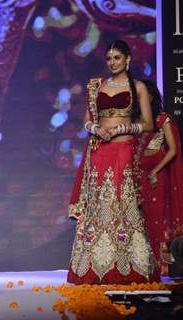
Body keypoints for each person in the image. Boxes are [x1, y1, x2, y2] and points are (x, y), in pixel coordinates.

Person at [67, 40, 158, 284]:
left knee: (122, 202)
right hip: (100, 150)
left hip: (123, 149)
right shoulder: (97, 86)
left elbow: (149, 124)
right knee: (98, 206)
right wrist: (96, 128)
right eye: (109, 58)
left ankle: (130, 266)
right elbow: (86, 120)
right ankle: (95, 267)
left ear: (128, 59)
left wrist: (122, 128)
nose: (112, 62)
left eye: (117, 57)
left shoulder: (137, 87)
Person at [135, 79, 183, 276]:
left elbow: (172, 150)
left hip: (157, 177)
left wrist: (156, 170)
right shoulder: (137, 122)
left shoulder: (163, 119)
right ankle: (142, 266)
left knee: (157, 219)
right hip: (138, 177)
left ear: (151, 97)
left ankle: (160, 267)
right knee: (141, 220)